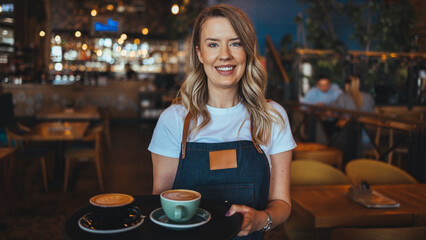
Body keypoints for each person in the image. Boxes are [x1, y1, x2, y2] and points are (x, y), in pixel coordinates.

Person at [148, 4, 296, 239]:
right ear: (199, 53)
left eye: (235, 43)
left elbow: (281, 204)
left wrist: (262, 220)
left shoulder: (273, 116)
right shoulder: (174, 120)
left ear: (247, 51)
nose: (224, 54)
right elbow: (160, 204)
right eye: (213, 44)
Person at [336, 75, 375, 147]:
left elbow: (334, 113)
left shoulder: (343, 97)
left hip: (348, 139)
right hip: (367, 138)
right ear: (358, 85)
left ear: (347, 85)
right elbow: (372, 112)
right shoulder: (368, 97)